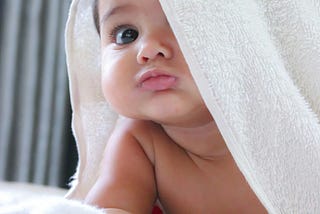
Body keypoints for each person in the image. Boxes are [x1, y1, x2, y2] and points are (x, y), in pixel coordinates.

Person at [83, 0, 267, 213]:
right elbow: (109, 208)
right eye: (127, 34)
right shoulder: (139, 139)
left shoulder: (282, 127)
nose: (149, 48)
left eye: (183, 26)